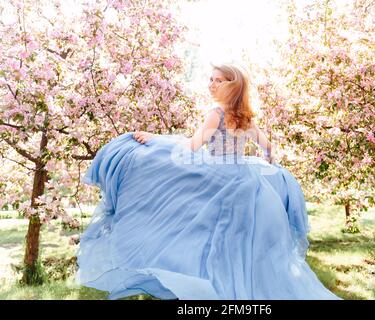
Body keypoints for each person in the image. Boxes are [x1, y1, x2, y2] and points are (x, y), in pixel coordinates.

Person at [75, 63, 342, 300]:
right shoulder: (245, 117)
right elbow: (268, 148)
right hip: (246, 181)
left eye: (218, 80)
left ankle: (213, 282)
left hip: (218, 176)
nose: (211, 85)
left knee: (201, 227)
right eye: (210, 79)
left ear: (232, 85)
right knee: (235, 238)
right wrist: (269, 165)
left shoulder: (217, 113)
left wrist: (156, 139)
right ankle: (234, 286)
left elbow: (192, 146)